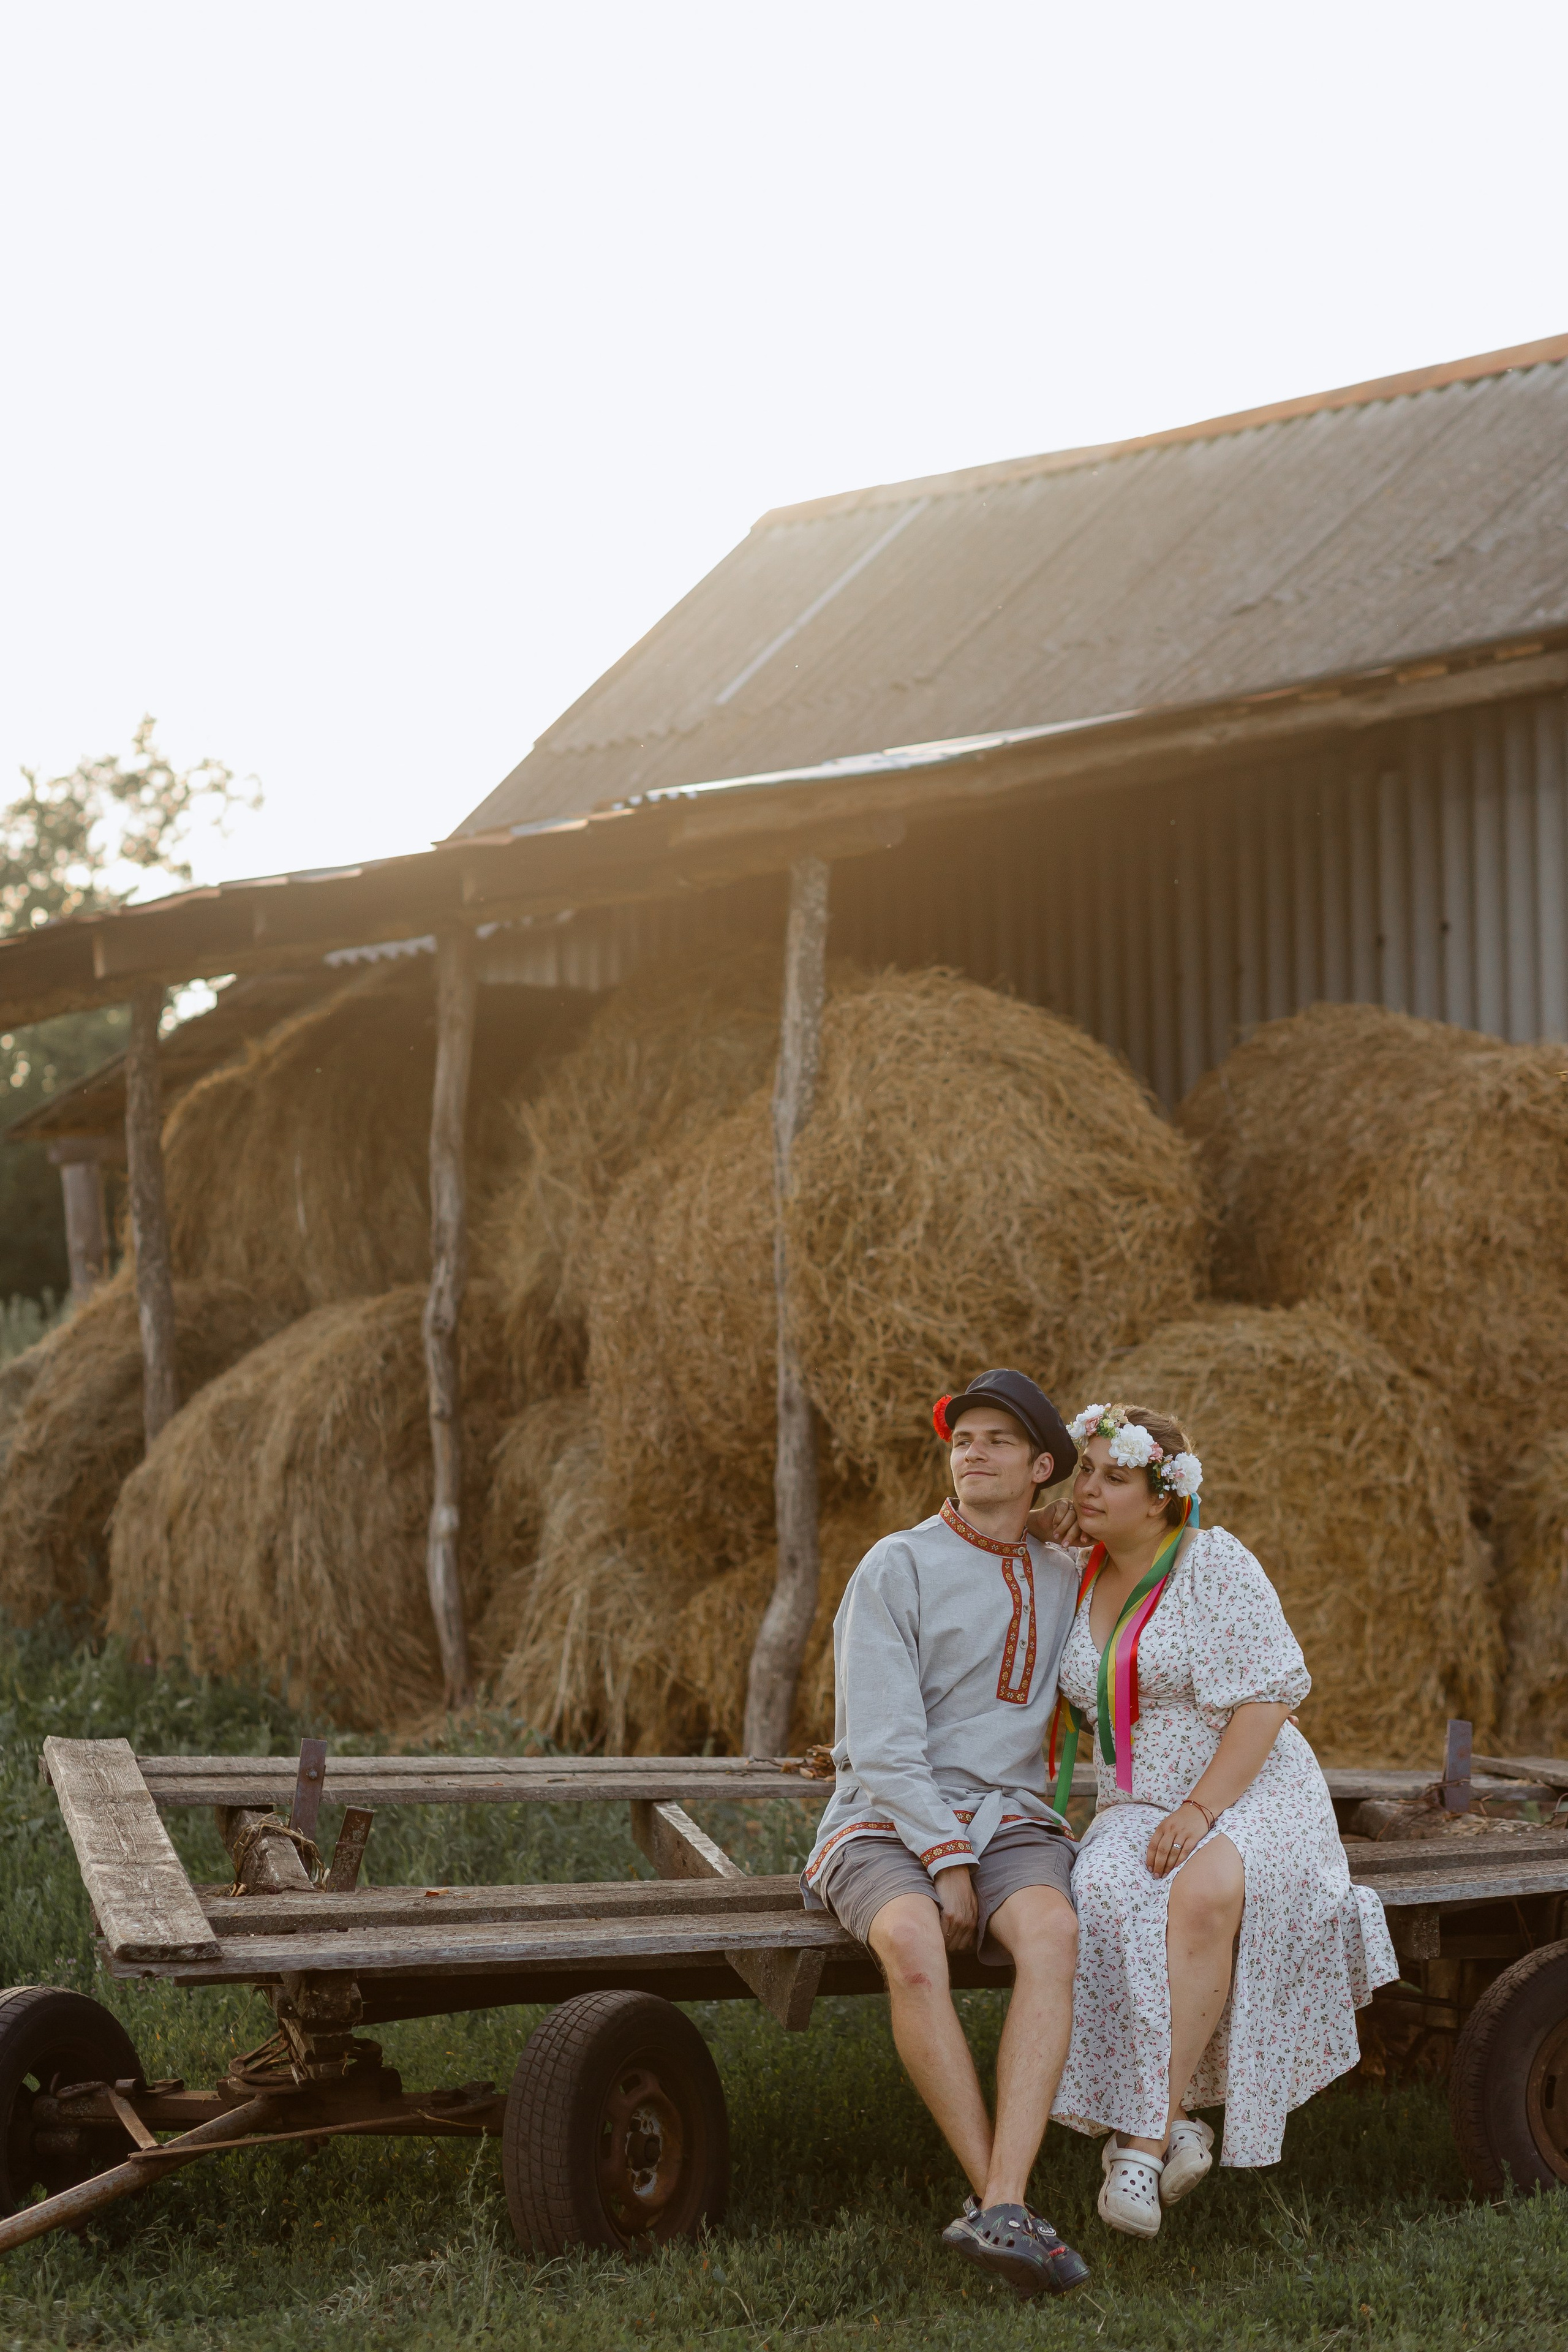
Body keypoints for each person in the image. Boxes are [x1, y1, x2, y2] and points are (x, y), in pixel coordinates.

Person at [1045, 1401, 1398, 2234]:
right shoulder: (1076, 1569)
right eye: (1084, 1470)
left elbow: (1271, 1696)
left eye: (1112, 1476)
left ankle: (1141, 2144)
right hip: (1136, 1799)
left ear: (1164, 1498)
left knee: (1199, 1894)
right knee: (1101, 1893)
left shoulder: (1215, 1563)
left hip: (1248, 1786)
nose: (1089, 1487)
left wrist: (1204, 1808)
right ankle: (1181, 2120)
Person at [801, 1369, 1091, 2301]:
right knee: (917, 1945)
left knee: (1055, 1934)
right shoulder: (898, 1564)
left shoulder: (1066, 1574)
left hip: (1012, 1820)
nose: (974, 1451)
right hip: (887, 1818)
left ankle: (1002, 2204)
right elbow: (882, 1746)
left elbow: (1158, 1554)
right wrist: (945, 1859)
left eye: (999, 1440)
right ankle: (999, 2202)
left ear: (1042, 1466)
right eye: (963, 1438)